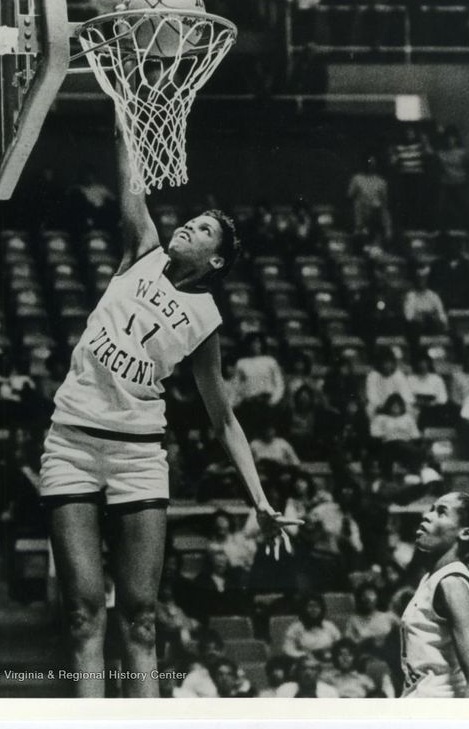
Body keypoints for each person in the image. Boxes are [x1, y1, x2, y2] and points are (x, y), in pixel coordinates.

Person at [39, 136, 301, 697]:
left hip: (137, 457)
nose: (190, 227)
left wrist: (258, 499)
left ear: (216, 260)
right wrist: (122, 96)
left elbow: (224, 419)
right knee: (84, 612)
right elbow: (129, 166)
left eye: (205, 230)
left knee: (140, 617)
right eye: (194, 219)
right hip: (72, 446)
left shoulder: (205, 319)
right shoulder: (144, 250)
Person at [400, 492, 469, 697]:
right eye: (430, 509)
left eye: (441, 512)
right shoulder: (430, 579)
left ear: (465, 533)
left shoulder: (451, 582)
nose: (427, 516)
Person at [347, 155, 392, 243]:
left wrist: (388, 229)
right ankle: (358, 230)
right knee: (358, 204)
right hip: (361, 211)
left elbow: (384, 203)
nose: (370, 165)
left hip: (375, 212)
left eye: (373, 163)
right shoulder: (357, 179)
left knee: (383, 212)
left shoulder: (381, 181)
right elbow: (350, 195)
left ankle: (382, 235)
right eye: (369, 162)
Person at [282, 594, 341, 659]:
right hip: (304, 661)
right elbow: (288, 648)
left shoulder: (330, 626)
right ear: (304, 608)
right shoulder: (295, 628)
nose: (314, 609)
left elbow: (340, 645)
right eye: (310, 606)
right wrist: (303, 655)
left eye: (317, 606)